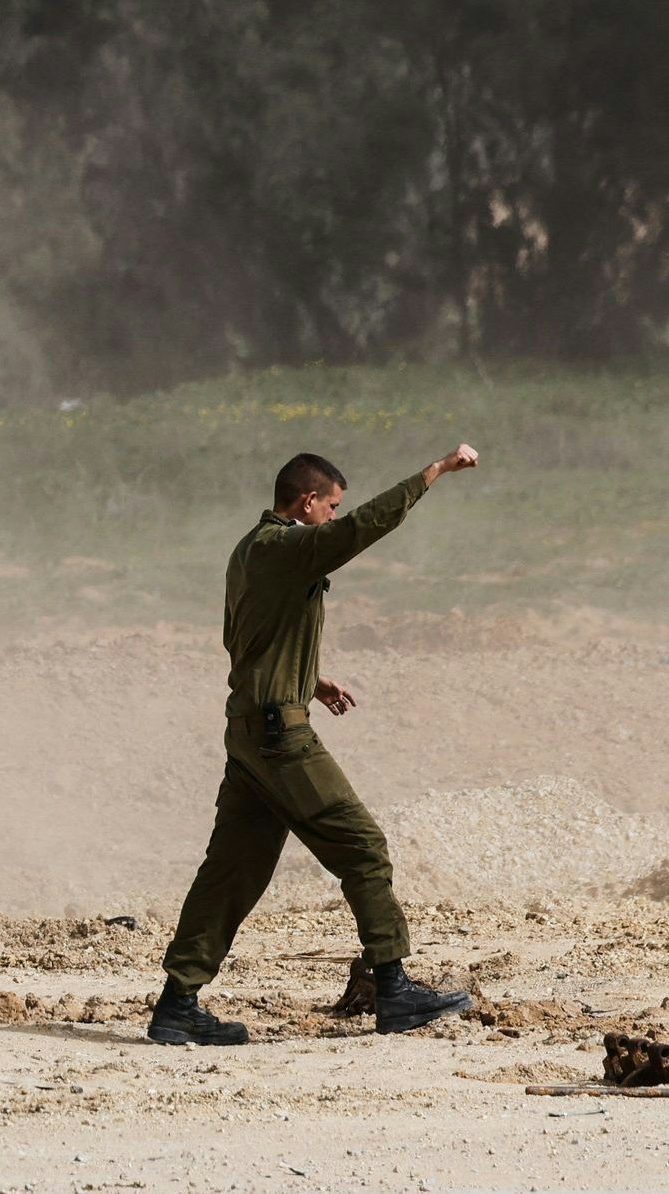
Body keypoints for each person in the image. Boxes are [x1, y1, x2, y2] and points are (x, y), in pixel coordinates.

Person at [149, 443, 482, 1046]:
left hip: (252, 730)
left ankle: (177, 1002)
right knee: (363, 848)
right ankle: (394, 987)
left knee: (229, 873)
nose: (332, 515)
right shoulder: (288, 546)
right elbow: (361, 529)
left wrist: (309, 677)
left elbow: (250, 638)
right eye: (328, 505)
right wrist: (433, 472)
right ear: (307, 504)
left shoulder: (250, 550)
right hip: (280, 738)